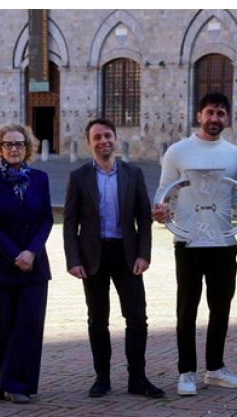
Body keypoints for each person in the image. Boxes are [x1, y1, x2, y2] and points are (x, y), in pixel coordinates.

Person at [151, 92, 237, 397]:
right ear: (199, 116)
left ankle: (215, 368)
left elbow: (236, 201)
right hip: (188, 242)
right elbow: (164, 193)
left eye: (220, 113)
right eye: (210, 112)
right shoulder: (177, 152)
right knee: (187, 309)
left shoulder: (236, 155)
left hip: (224, 243)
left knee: (221, 308)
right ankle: (186, 372)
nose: (214, 119)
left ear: (227, 118)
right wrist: (160, 211)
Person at [63, 117, 165, 399]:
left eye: (108, 136)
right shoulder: (79, 177)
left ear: (116, 139)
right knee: (97, 319)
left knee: (136, 318)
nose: (103, 141)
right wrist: (73, 259)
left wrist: (144, 254)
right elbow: (70, 222)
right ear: (89, 143)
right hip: (93, 257)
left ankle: (138, 378)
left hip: (126, 254)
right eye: (97, 137)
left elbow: (144, 218)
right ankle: (102, 378)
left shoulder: (133, 174)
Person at [0, 123, 53, 404]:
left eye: (19, 144)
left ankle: (18, 383)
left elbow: (47, 218)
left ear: (28, 148)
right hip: (2, 264)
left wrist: (32, 252)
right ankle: (5, 382)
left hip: (35, 263)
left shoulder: (40, 178)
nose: (14, 149)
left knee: (30, 323)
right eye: (8, 144)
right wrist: (15, 254)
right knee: (5, 324)